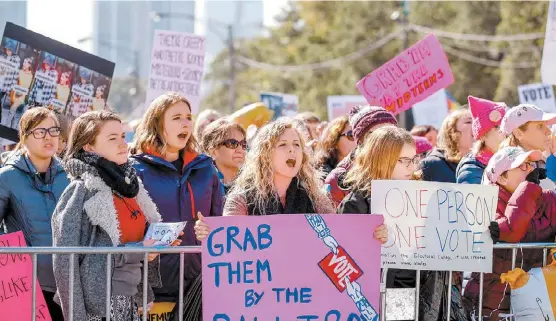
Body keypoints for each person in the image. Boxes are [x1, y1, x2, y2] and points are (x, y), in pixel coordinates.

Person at [52, 110, 180, 321]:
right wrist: (76, 315)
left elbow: (132, 246)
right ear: (88, 146)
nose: (123, 143)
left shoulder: (130, 186)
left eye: (122, 136)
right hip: (99, 305)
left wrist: (153, 247)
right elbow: (65, 261)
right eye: (112, 138)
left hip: (129, 299)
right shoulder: (81, 190)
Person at [194, 117, 388, 240]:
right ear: (265, 155)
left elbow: (338, 239)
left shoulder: (316, 198)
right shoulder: (241, 200)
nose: (292, 150)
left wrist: (373, 235)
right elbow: (229, 245)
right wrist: (210, 234)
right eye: (283, 144)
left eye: (296, 144)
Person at [130, 92, 224, 319]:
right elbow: (126, 229)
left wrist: (210, 230)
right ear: (156, 123)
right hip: (151, 289)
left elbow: (220, 221)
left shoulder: (206, 169)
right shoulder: (134, 170)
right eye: (176, 117)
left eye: (188, 117)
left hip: (198, 284)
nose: (185, 123)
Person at [464, 146, 556, 320]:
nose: (530, 169)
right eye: (522, 166)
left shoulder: (548, 199)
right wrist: (528, 188)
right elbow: (511, 230)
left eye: (531, 164)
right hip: (492, 300)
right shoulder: (487, 202)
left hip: (536, 300)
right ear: (502, 178)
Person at [0, 107, 69, 320]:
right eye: (40, 132)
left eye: (53, 130)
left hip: (67, 284)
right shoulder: (6, 177)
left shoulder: (69, 176)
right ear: (25, 137)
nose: (48, 137)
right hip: (24, 285)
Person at [324, 105, 398, 206]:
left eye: (394, 133)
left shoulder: (406, 167)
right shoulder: (338, 180)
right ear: (362, 139)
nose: (389, 139)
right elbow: (332, 220)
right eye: (380, 134)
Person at [500, 104, 556, 189]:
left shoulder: (542, 159)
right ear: (519, 134)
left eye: (546, 125)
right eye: (540, 126)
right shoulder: (514, 169)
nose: (548, 131)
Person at [456, 96, 507, 184]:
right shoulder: (471, 169)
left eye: (505, 125)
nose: (505, 131)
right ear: (483, 136)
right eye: (497, 127)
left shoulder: (516, 158)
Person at [420, 109, 473, 183]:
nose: (476, 124)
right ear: (452, 131)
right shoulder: (431, 165)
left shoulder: (481, 164)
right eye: (469, 122)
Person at [200, 118, 247, 194]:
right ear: (213, 152)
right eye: (232, 143)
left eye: (243, 144)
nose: (240, 149)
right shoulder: (202, 186)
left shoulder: (254, 182)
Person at [314, 116, 356, 180]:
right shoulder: (321, 175)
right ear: (334, 140)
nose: (357, 140)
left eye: (359, 135)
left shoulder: (367, 169)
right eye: (351, 135)